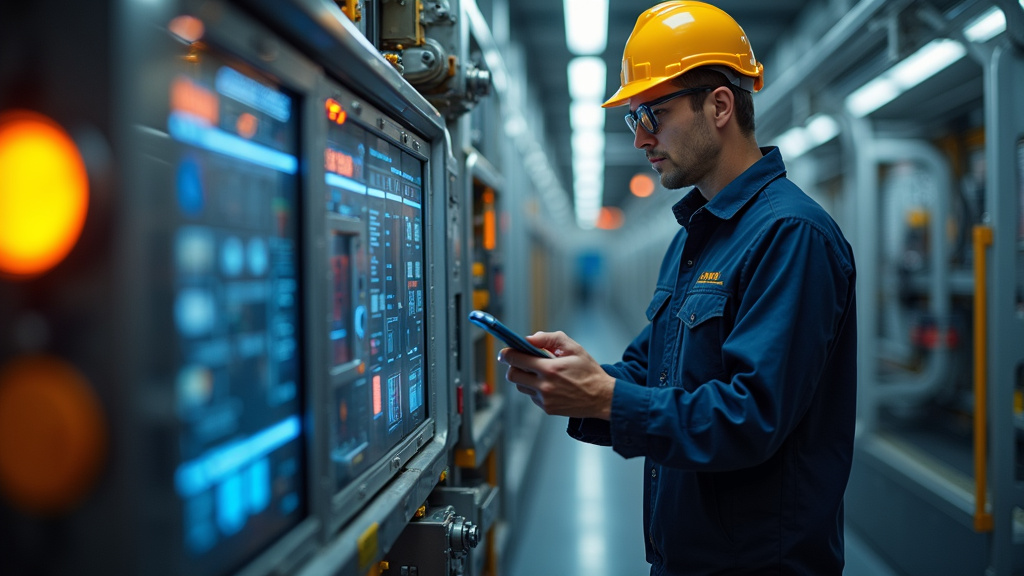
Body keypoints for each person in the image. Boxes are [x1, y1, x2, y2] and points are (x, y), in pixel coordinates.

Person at [498, 2, 857, 575]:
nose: (641, 139)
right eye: (634, 120)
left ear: (719, 105)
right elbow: (653, 368)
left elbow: (752, 418)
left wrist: (606, 399)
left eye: (653, 115)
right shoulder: (695, 235)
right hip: (684, 553)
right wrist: (580, 377)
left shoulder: (791, 234)